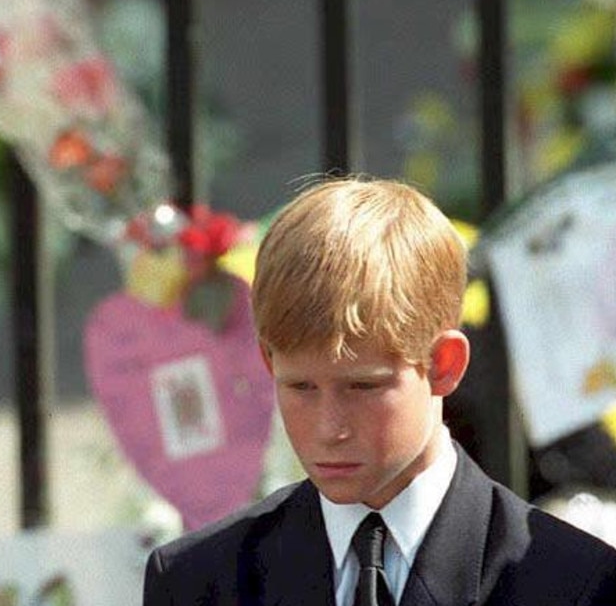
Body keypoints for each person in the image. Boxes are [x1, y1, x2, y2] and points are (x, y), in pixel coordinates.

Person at [144, 177, 616, 605]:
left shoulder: (572, 584)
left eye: (363, 387)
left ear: (443, 365)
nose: (329, 428)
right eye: (301, 386)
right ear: (268, 362)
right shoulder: (197, 583)